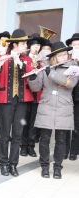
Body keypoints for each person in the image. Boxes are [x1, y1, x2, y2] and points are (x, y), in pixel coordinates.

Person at [28, 41, 79, 179]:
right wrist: (32, 78)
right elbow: (36, 88)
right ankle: (44, 166)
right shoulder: (45, 67)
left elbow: (70, 84)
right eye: (61, 55)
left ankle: (57, 167)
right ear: (54, 57)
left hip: (64, 107)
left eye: (65, 54)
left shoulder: (73, 67)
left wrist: (51, 73)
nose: (64, 57)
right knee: (44, 138)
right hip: (47, 105)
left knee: (61, 139)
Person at [0, 29, 34, 176]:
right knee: (4, 134)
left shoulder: (28, 60)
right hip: (6, 100)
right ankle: (3, 163)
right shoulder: (3, 58)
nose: (26, 46)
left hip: (22, 101)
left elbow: (31, 76)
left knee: (17, 134)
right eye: (23, 43)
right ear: (15, 44)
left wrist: (20, 63)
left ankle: (13, 164)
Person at [20, 33, 46, 158]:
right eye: (34, 45)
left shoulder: (41, 61)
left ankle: (31, 146)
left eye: (38, 45)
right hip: (26, 93)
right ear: (29, 47)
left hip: (37, 95)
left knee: (34, 122)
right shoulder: (24, 59)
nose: (37, 47)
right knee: (24, 121)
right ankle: (23, 146)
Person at [65, 33, 79, 161]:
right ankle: (64, 150)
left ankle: (73, 151)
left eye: (78, 45)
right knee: (65, 125)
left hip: (77, 97)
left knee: (77, 125)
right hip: (66, 95)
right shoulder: (66, 59)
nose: (76, 47)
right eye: (74, 45)